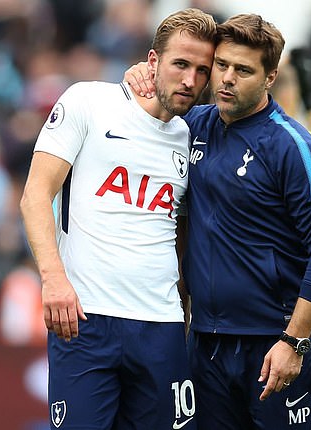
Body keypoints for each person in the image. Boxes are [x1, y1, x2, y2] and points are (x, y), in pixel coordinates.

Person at [126, 13, 311, 430]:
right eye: (222, 66)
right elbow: (145, 109)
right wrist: (143, 73)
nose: (226, 78)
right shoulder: (192, 126)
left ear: (270, 77)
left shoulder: (293, 147)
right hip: (208, 345)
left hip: (276, 343)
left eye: (243, 70)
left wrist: (293, 341)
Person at [19, 8, 216, 430]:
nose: (189, 80)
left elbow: (183, 232)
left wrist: (185, 306)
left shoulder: (196, 135)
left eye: (202, 70)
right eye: (180, 64)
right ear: (152, 61)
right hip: (85, 318)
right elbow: (36, 195)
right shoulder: (89, 101)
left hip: (161, 326)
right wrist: (53, 278)